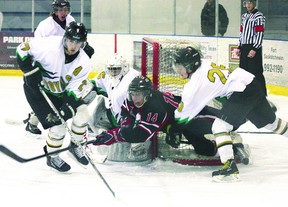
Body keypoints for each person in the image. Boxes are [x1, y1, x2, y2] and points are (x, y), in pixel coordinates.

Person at [169, 46, 288, 182]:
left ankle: (229, 167)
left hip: (241, 91)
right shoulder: (204, 63)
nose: (178, 71)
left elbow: (184, 113)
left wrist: (173, 129)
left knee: (219, 127)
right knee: (272, 124)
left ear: (191, 66)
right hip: (251, 84)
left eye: (180, 67)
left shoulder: (195, 85)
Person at [90, 76, 249, 162]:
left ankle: (250, 111)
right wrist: (122, 129)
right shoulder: (131, 99)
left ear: (147, 94)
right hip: (177, 124)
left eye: (138, 94)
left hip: (192, 115)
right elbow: (126, 115)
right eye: (132, 94)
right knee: (204, 150)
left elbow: (142, 134)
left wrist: (114, 135)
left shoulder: (155, 108)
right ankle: (231, 147)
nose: (135, 97)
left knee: (229, 123)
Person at [16, 21, 92, 172]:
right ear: (64, 38)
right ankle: (52, 156)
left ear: (83, 43)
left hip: (60, 93)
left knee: (83, 115)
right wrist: (28, 70)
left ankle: (75, 145)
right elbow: (21, 49)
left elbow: (74, 91)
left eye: (78, 42)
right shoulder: (48, 46)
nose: (73, 46)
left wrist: (66, 109)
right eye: (71, 40)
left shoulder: (84, 62)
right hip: (38, 91)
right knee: (58, 126)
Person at [25, 0, 94, 136]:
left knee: (65, 94)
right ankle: (32, 122)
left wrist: (85, 46)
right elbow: (38, 47)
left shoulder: (71, 19)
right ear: (55, 11)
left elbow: (75, 36)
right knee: (51, 97)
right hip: (49, 66)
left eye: (66, 10)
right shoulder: (45, 25)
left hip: (65, 64)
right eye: (60, 10)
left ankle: (78, 121)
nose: (64, 13)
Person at [236, 0, 266, 95]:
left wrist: (255, 48)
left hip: (253, 47)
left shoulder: (259, 16)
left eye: (250, 3)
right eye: (246, 3)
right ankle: (247, 93)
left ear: (254, 4)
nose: (248, 5)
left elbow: (260, 33)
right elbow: (242, 32)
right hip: (244, 47)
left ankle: (262, 94)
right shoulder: (244, 16)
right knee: (243, 71)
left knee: (256, 72)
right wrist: (239, 46)